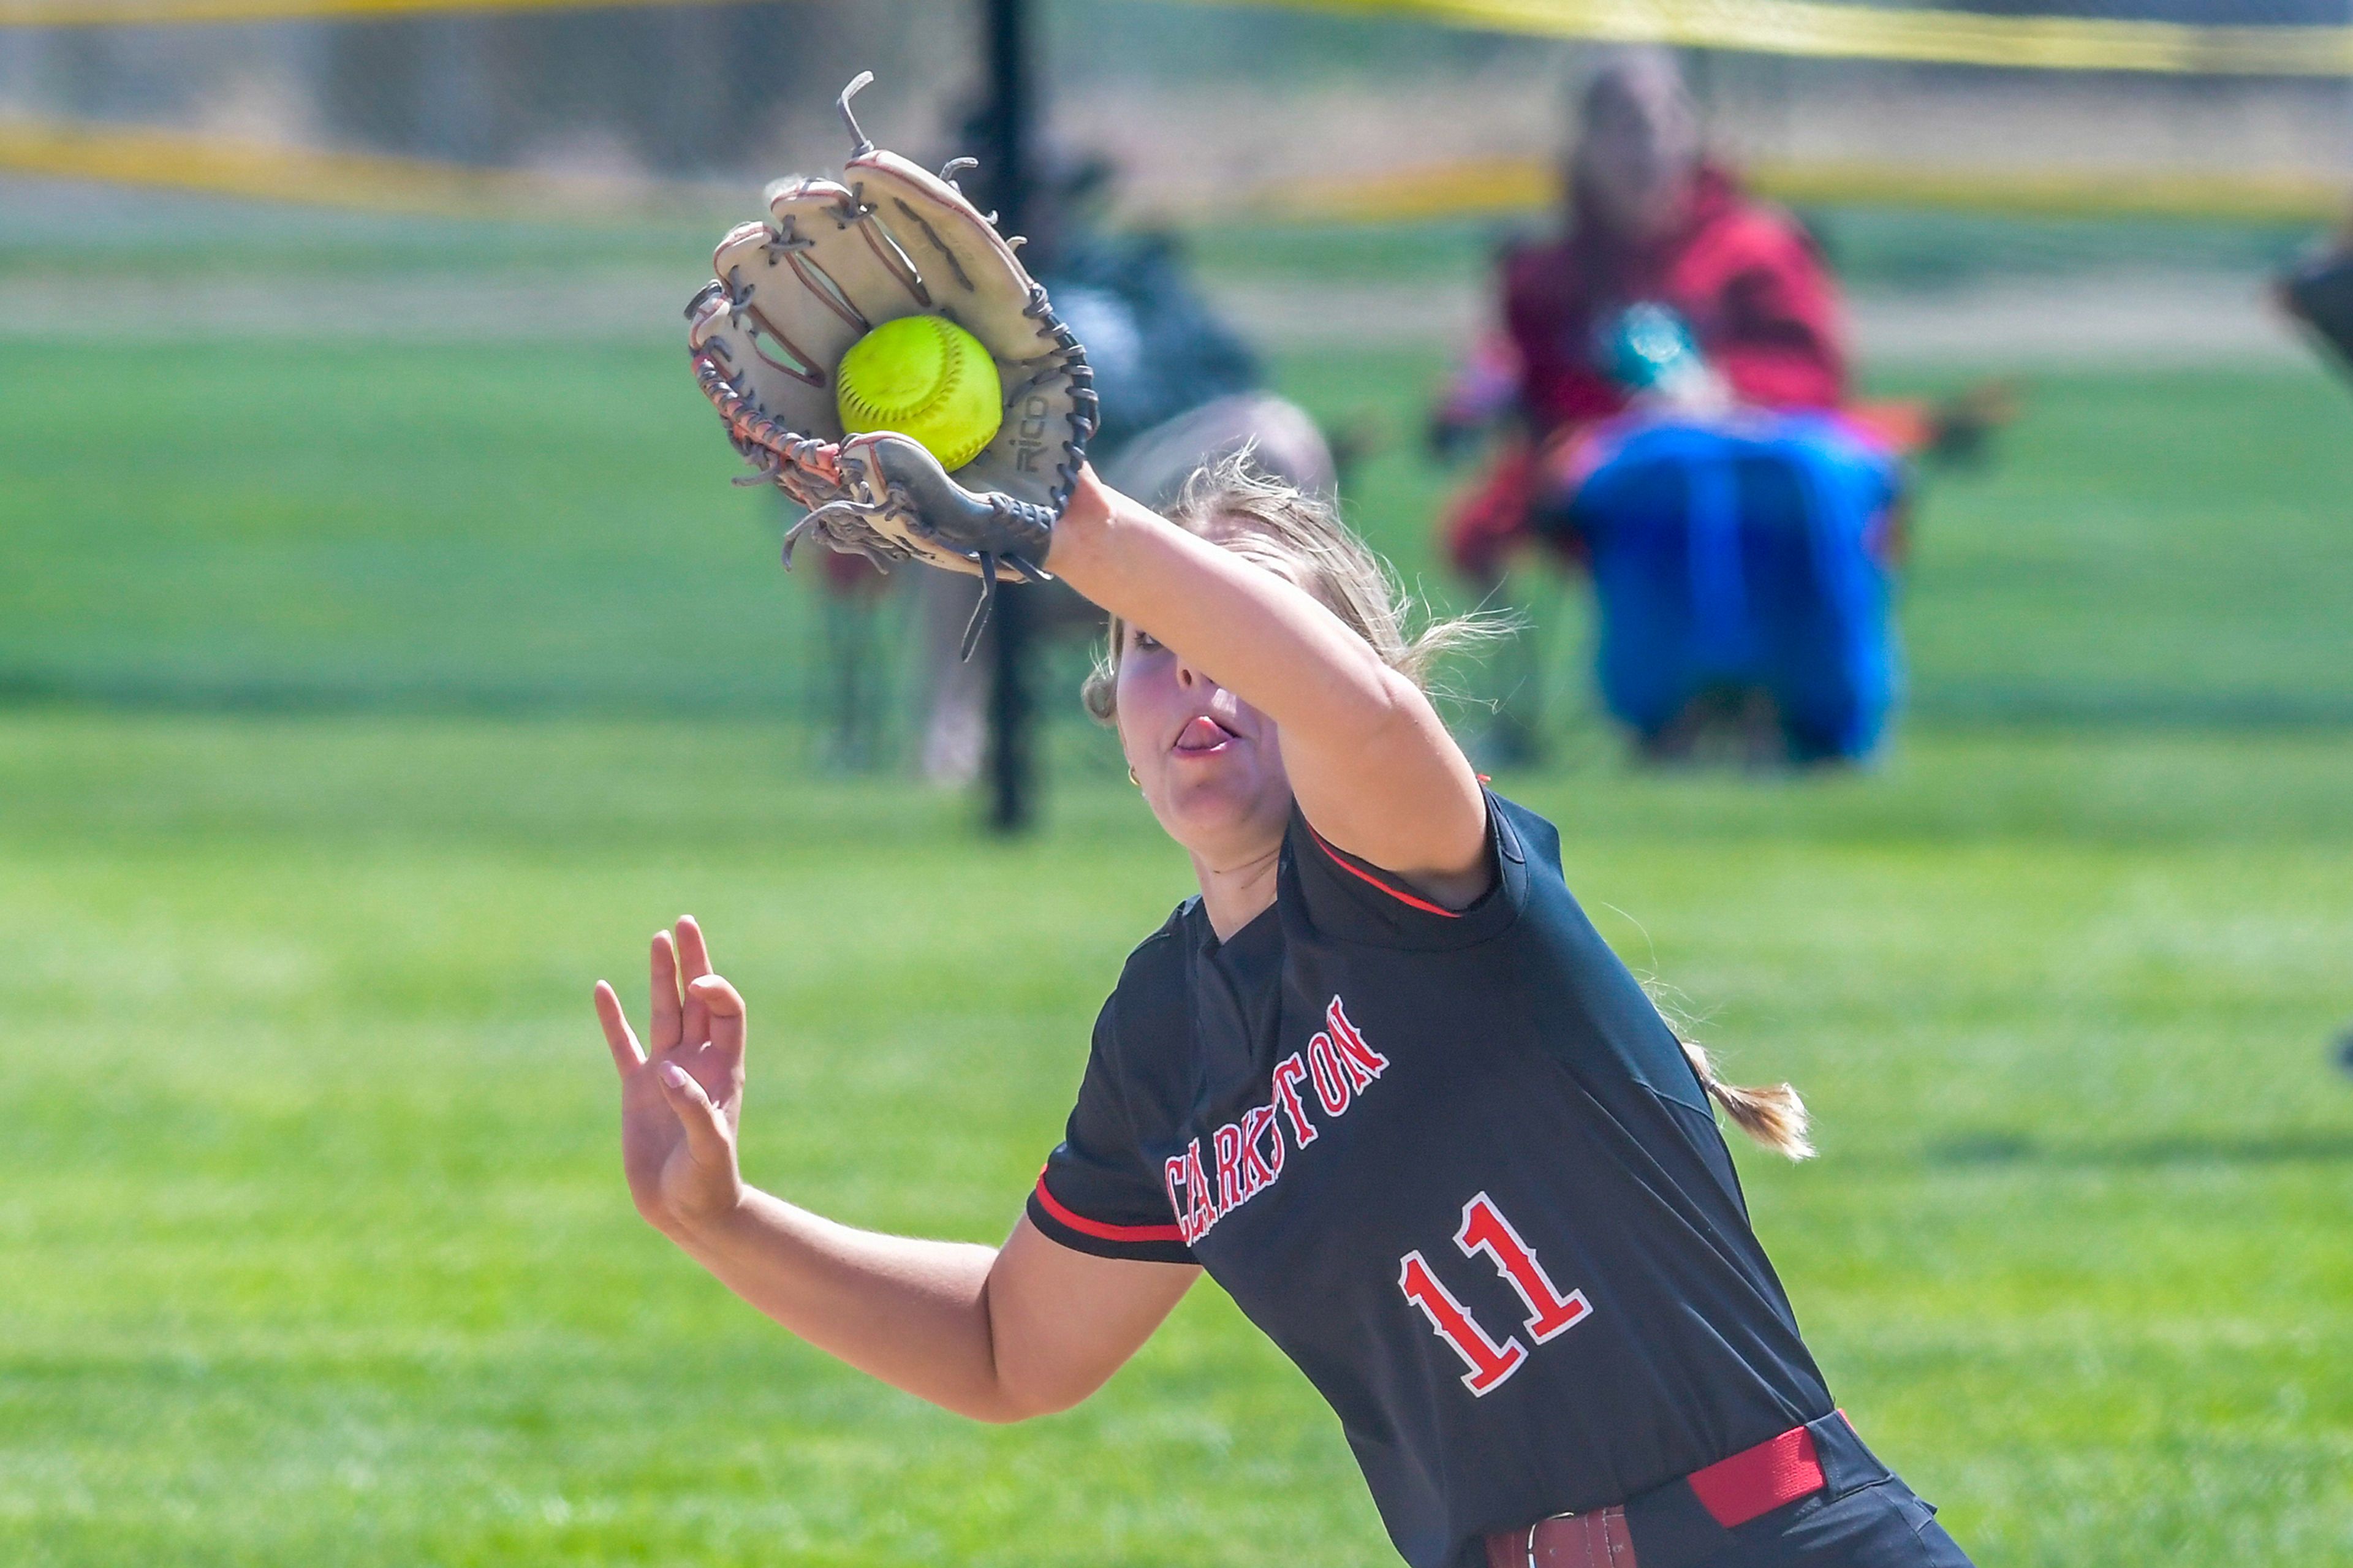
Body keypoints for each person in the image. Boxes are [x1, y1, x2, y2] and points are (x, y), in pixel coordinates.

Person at [592, 450, 1976, 1568]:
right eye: (1148, 641)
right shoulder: (1164, 1039)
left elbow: (1366, 720)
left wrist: (1075, 520)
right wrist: (723, 1220)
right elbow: (1012, 1345)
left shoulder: (1417, 868)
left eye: (1230, 628)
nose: (1191, 665)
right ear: (1115, 717)